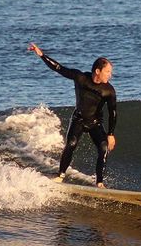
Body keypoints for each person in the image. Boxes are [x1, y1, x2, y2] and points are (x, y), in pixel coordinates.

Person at [28, 43, 116, 188]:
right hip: (79, 119)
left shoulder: (109, 90)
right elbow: (59, 68)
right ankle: (60, 175)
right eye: (108, 72)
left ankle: (99, 182)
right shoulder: (80, 78)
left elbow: (113, 112)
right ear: (98, 71)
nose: (110, 75)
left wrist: (111, 133)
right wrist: (42, 55)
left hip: (95, 122)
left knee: (103, 147)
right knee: (71, 144)